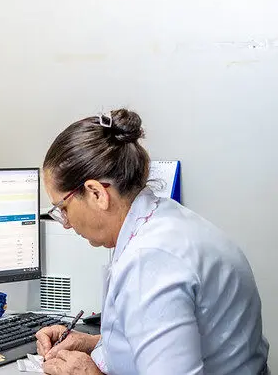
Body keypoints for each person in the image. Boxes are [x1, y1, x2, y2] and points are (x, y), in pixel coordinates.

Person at [34, 109, 270, 375]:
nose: (65, 223)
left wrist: (89, 374)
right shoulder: (161, 219)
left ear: (96, 193)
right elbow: (169, 342)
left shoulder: (152, 259)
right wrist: (96, 344)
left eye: (62, 208)